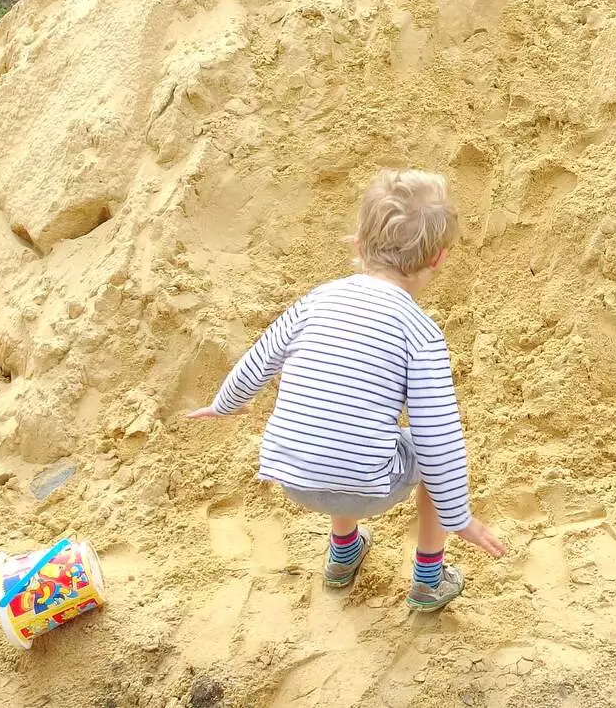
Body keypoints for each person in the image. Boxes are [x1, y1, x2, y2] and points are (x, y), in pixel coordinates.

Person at [187, 168, 505, 610]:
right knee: (419, 453)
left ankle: (343, 553)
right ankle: (429, 578)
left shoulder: (316, 301)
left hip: (294, 478)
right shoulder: (421, 331)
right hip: (364, 486)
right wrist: (460, 518)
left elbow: (261, 358)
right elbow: (440, 438)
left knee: (344, 417)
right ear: (439, 259)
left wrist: (225, 403)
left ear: (357, 245)